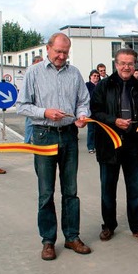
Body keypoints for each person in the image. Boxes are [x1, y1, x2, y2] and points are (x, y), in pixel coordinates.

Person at [16, 32, 91, 260]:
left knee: (71, 191)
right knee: (46, 192)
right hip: (43, 135)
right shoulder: (34, 73)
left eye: (65, 53)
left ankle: (72, 237)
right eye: (58, 51)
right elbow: (21, 106)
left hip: (68, 135)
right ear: (47, 49)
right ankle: (48, 241)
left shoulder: (75, 73)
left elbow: (83, 101)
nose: (61, 56)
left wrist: (81, 115)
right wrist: (45, 112)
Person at [90, 48, 138, 243]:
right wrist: (114, 121)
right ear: (116, 64)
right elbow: (95, 112)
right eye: (122, 63)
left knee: (137, 189)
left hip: (135, 145)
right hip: (109, 145)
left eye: (130, 63)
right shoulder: (104, 86)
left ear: (134, 65)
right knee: (108, 189)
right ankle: (108, 226)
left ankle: (137, 226)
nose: (126, 67)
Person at [24, 55, 44, 144]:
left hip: (40, 100)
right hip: (32, 100)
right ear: (34, 62)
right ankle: (27, 141)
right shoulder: (30, 71)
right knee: (30, 122)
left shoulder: (42, 71)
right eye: (40, 61)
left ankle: (34, 140)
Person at [85, 69, 100, 153]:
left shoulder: (101, 85)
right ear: (90, 77)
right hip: (90, 111)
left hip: (99, 111)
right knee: (91, 130)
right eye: (94, 76)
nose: (96, 77)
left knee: (99, 130)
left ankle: (98, 145)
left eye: (97, 76)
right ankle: (90, 146)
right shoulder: (87, 85)